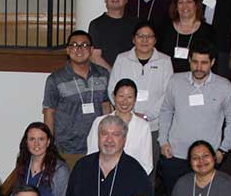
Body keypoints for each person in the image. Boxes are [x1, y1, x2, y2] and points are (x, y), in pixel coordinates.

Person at [158, 38, 231, 196]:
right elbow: (166, 111)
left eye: (204, 63)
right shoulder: (175, 81)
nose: (199, 67)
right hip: (175, 155)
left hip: (207, 158)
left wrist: (223, 149)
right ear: (189, 60)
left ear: (213, 62)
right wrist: (163, 141)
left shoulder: (224, 86)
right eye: (195, 62)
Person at [42, 30, 112, 165]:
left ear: (91, 50)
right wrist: (48, 146)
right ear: (68, 50)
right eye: (74, 45)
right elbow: (49, 112)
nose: (79, 49)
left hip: (97, 147)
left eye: (84, 45)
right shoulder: (55, 79)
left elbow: (106, 106)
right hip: (67, 150)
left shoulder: (102, 74)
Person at [109, 20, 174, 153]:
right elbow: (112, 90)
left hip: (154, 125)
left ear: (155, 40)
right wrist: (130, 114)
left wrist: (147, 116)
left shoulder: (165, 61)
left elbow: (168, 94)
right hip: (124, 124)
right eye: (140, 36)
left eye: (149, 36)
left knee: (149, 166)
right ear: (133, 39)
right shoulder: (122, 59)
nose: (144, 40)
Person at [86, 78, 155, 175]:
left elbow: (146, 163)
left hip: (131, 179)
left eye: (129, 97)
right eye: (121, 96)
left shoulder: (143, 126)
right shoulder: (99, 122)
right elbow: (92, 154)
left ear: (135, 99)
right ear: (114, 97)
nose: (125, 101)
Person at [9, 122, 70, 196]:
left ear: (48, 142)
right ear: (26, 142)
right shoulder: (22, 166)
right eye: (32, 139)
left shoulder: (60, 171)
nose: (36, 144)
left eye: (41, 139)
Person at [157, 0, 217, 74]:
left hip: (196, 80)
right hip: (167, 78)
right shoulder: (165, 28)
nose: (185, 6)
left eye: (189, 2)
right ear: (176, 7)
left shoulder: (208, 31)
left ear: (196, 5)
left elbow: (212, 61)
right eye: (180, 2)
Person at [88, 0, 137, 71]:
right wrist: (114, 73)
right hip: (105, 74)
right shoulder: (96, 24)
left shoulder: (136, 23)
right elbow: (95, 57)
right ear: (105, 0)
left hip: (132, 72)